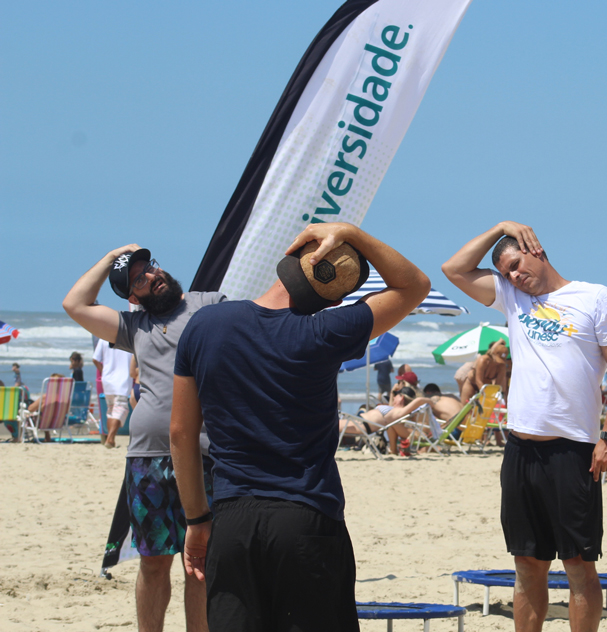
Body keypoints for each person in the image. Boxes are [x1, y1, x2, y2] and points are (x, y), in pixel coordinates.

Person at [170, 222, 429, 631]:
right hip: (306, 515)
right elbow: (413, 285)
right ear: (337, 296)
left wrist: (196, 519)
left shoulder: (205, 325)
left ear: (289, 259)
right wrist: (352, 234)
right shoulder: (325, 331)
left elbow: (181, 434)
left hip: (233, 516)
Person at [443, 221, 607, 632]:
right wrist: (499, 226)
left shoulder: (593, 296)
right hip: (520, 449)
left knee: (578, 563)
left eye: (515, 264)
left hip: (574, 449)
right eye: (506, 272)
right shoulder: (512, 298)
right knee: (527, 563)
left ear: (536, 250)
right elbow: (454, 270)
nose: (513, 276)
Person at [63, 244, 225, 632]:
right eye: (139, 278)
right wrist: (111, 258)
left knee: (201, 565)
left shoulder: (211, 304)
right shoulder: (134, 328)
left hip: (207, 453)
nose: (152, 275)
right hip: (149, 459)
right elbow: (75, 304)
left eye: (149, 267)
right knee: (154, 562)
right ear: (133, 296)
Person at [94, 339, 135, 449]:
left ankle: (110, 439)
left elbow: (95, 359)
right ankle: (110, 438)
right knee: (121, 408)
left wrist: (103, 372)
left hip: (107, 378)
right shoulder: (129, 337)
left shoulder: (103, 338)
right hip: (123, 379)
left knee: (111, 410)